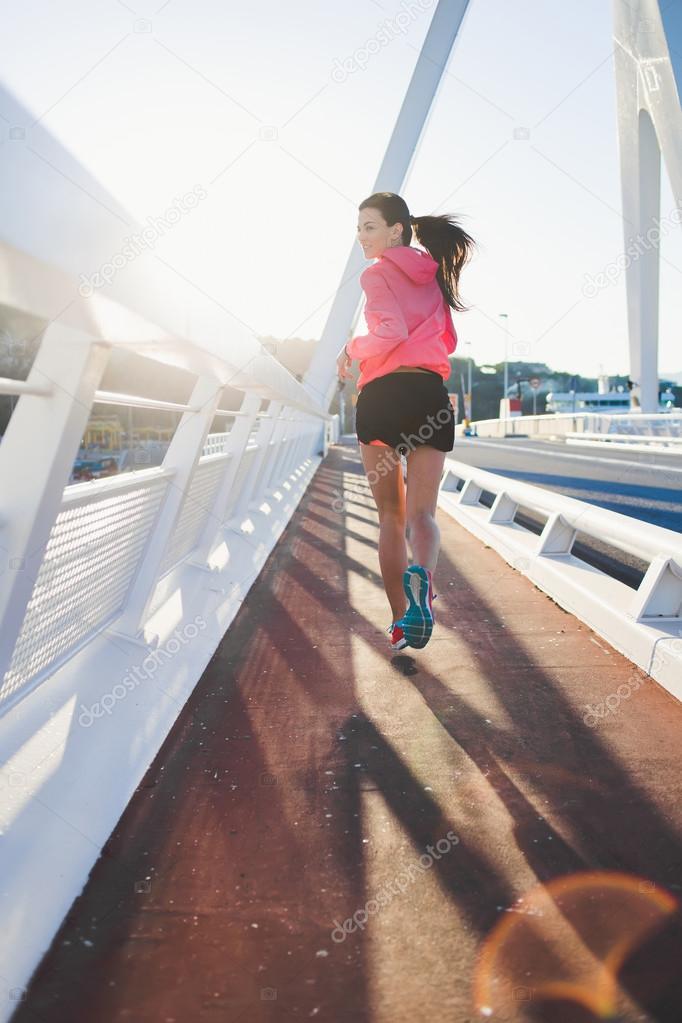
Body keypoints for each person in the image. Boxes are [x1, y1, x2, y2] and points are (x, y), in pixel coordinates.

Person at [336, 191, 475, 651]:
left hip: (383, 396)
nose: (361, 237)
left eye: (369, 227)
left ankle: (401, 620)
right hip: (428, 396)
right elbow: (447, 340)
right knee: (422, 515)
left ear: (396, 230)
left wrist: (352, 350)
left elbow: (389, 332)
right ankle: (425, 587)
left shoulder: (375, 274)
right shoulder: (434, 275)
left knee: (391, 516)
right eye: (358, 228)